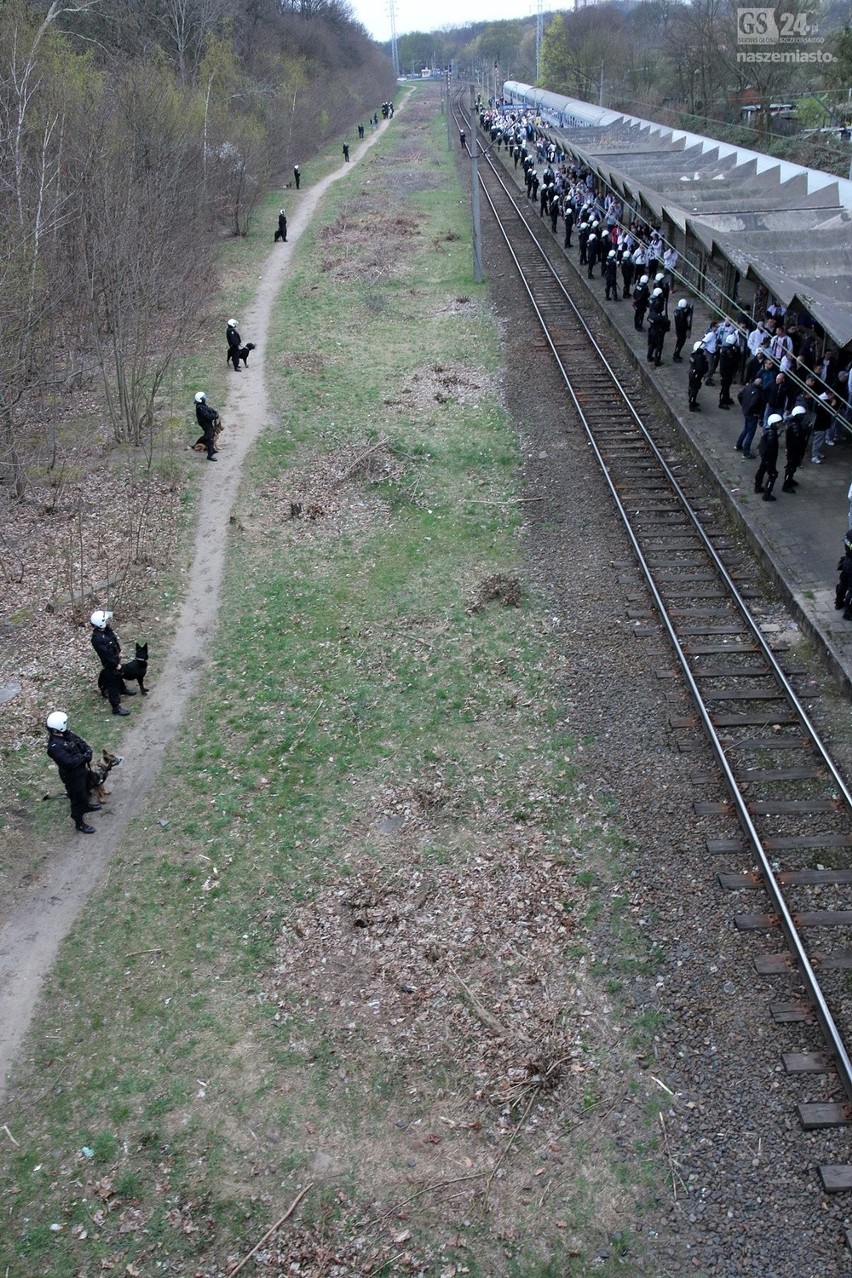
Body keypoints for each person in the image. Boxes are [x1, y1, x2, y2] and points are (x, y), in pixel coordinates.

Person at [46, 712, 100, 833]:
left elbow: (79, 742)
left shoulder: (65, 734)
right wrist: (84, 757)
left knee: (86, 787)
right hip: (72, 776)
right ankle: (79, 822)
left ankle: (86, 806)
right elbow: (69, 762)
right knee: (77, 798)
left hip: (81, 770)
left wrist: (87, 750)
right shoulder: (54, 746)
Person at [91, 610, 132, 715]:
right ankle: (116, 707)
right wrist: (115, 664)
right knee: (112, 683)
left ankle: (122, 689)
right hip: (110, 663)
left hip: (115, 658)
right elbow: (106, 655)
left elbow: (114, 639)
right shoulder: (97, 639)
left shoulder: (106, 630)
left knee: (118, 676)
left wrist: (120, 650)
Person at [782, 404, 811, 492]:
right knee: (790, 468)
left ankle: (790, 480)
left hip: (794, 451)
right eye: (802, 416)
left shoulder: (793, 423)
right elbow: (797, 440)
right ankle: (786, 485)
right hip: (794, 452)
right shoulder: (795, 427)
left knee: (793, 467)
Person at [755, 413, 782, 501]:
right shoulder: (771, 434)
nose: (778, 425)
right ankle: (767, 494)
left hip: (765, 457)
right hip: (769, 458)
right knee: (773, 475)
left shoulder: (768, 431)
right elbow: (771, 446)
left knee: (761, 471)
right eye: (777, 424)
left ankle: (757, 487)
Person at [735, 376, 764, 458]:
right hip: (752, 414)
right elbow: (754, 403)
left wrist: (744, 405)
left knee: (746, 429)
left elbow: (739, 395)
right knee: (751, 433)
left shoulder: (748, 388)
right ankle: (746, 452)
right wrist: (756, 413)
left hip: (746, 412)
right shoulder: (758, 393)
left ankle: (738, 444)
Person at [194, 391, 220, 462]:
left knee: (208, 435)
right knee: (210, 437)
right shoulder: (200, 408)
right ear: (200, 399)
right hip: (205, 424)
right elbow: (207, 416)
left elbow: (209, 409)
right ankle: (210, 455)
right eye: (203, 398)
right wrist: (214, 416)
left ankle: (211, 449)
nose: (205, 399)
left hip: (208, 423)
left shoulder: (203, 405)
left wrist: (215, 413)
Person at [688, 341, 708, 412]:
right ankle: (692, 405)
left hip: (692, 373)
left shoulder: (693, 355)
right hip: (696, 375)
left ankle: (693, 401)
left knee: (692, 388)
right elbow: (701, 368)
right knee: (694, 390)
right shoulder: (700, 357)